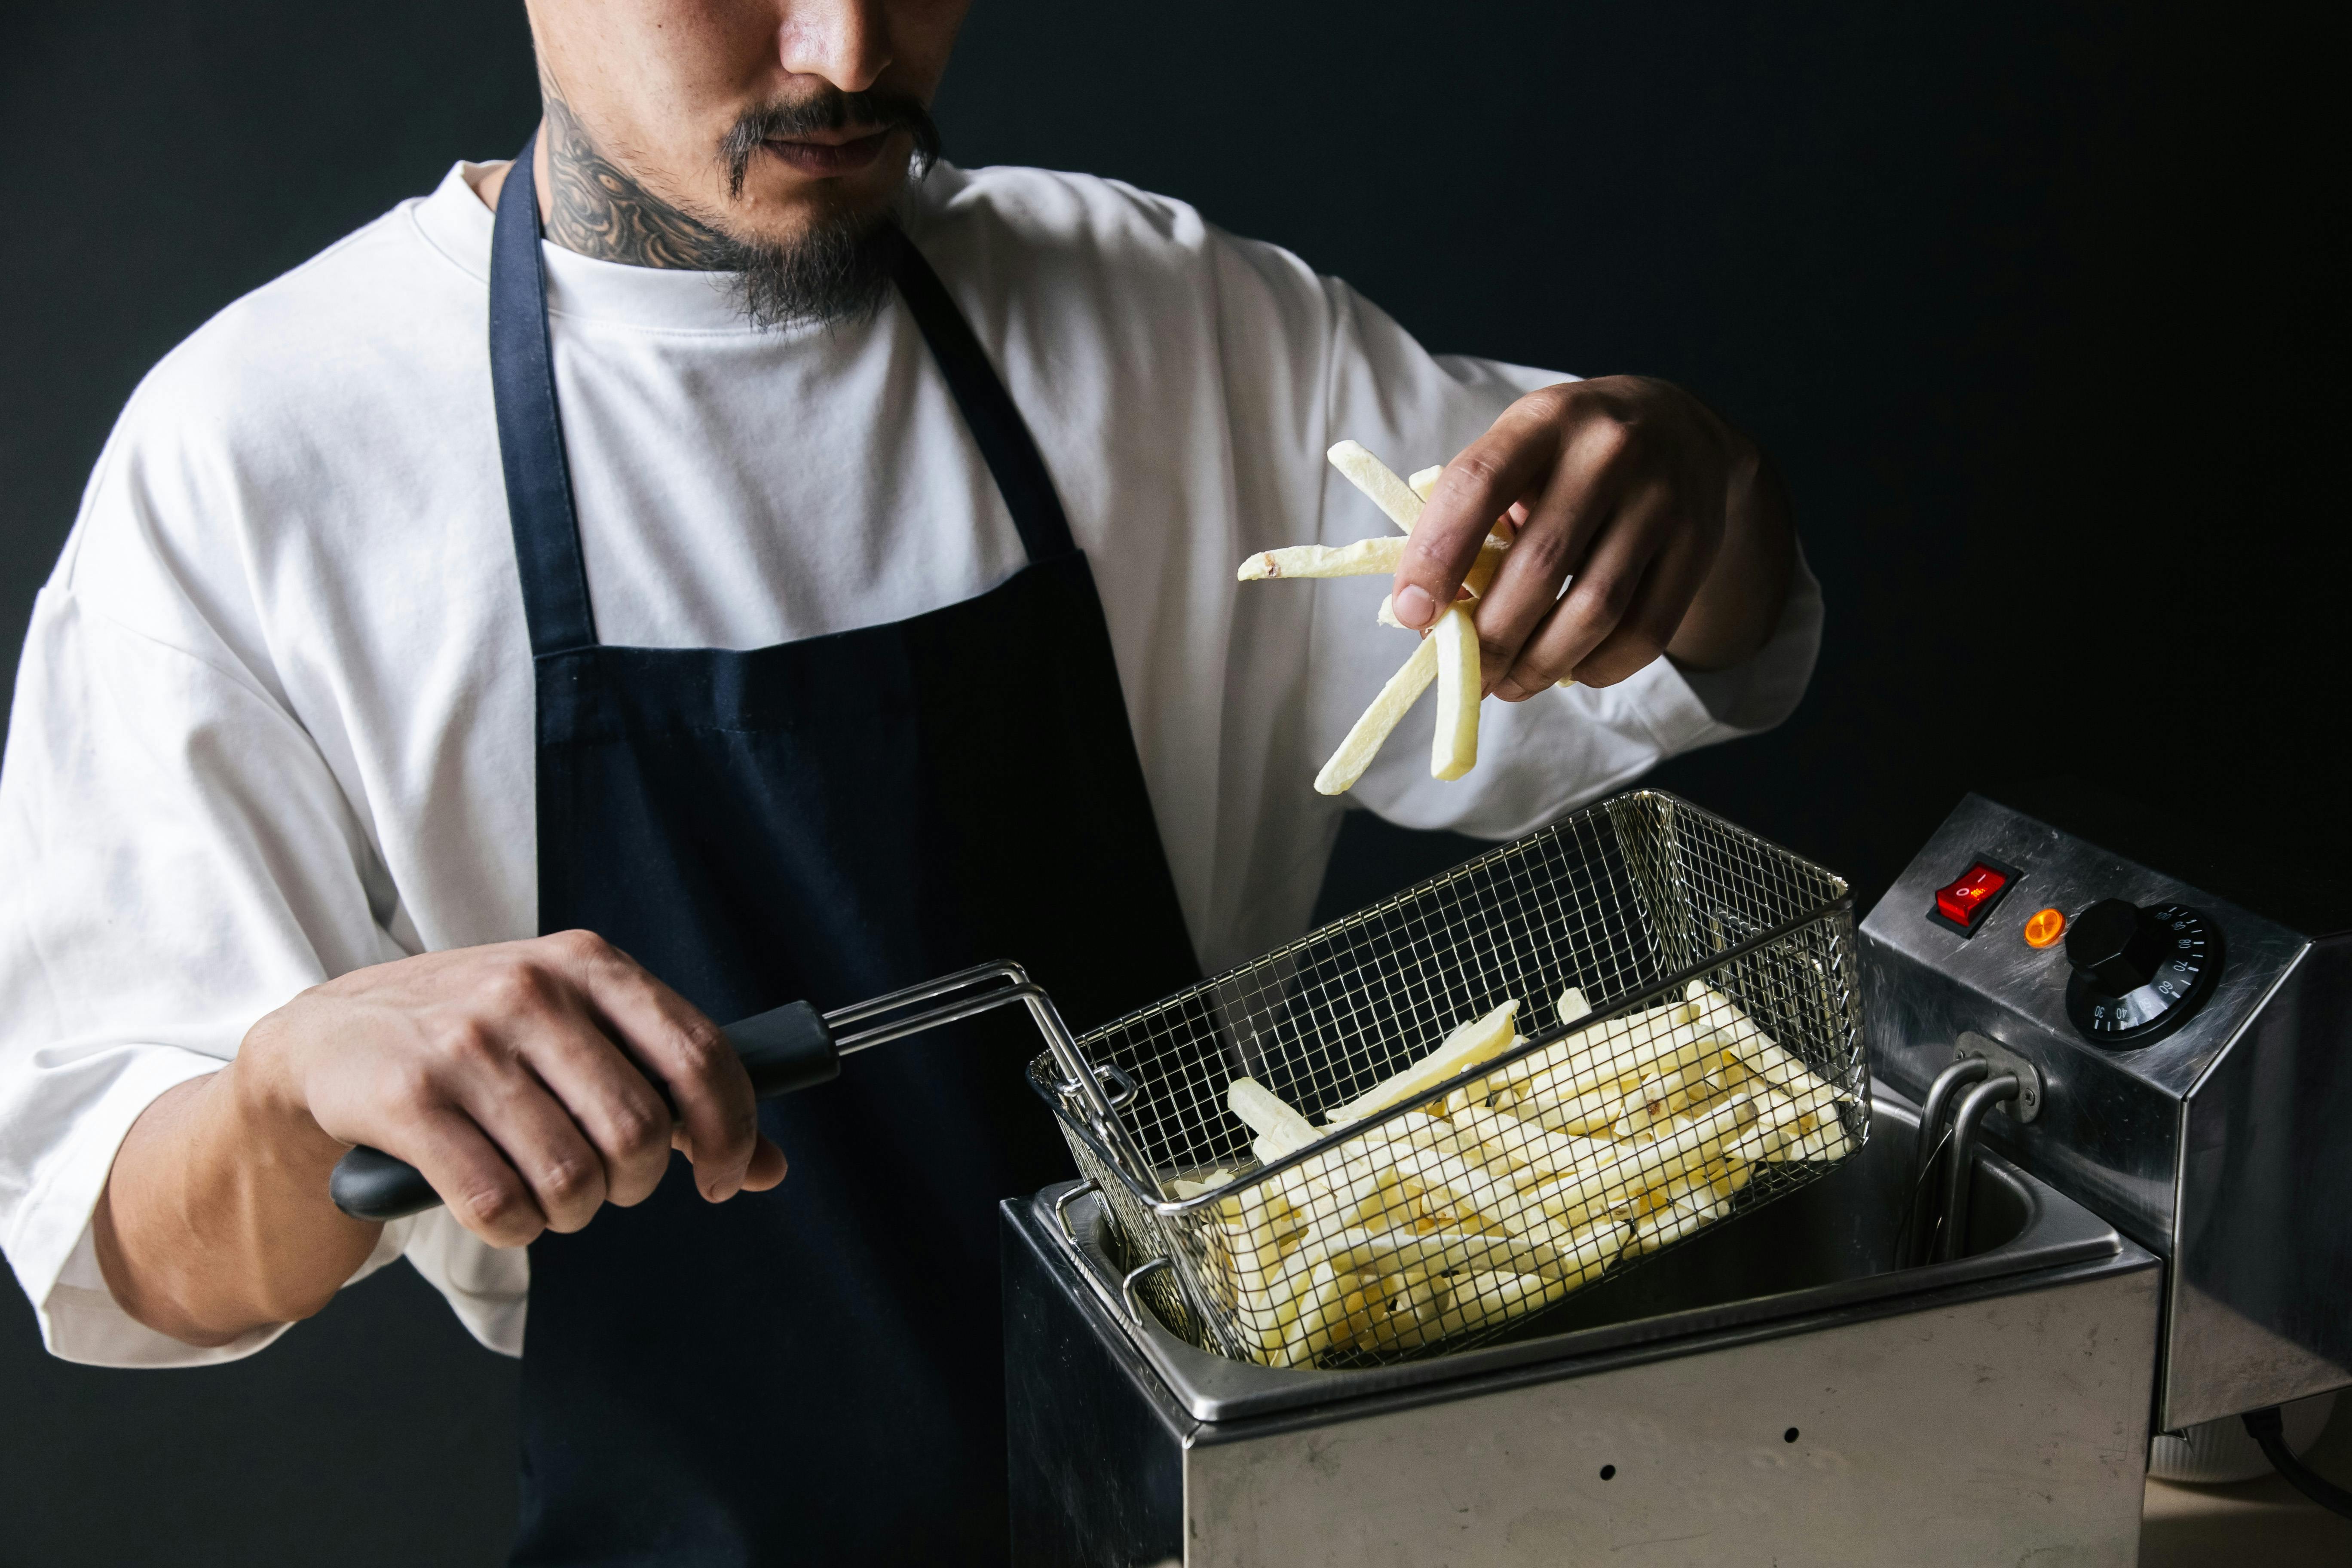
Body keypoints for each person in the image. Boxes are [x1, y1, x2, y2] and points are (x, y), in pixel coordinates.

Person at [0, 1, 1819, 1562]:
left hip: (1277, 1495)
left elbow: (1689, 655)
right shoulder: (258, 457)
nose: (852, 51)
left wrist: (1696, 483)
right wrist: (290, 1092)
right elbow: (128, 1252)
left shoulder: (1170, 322)